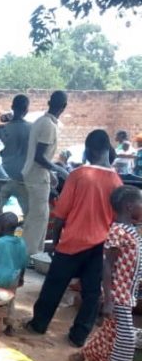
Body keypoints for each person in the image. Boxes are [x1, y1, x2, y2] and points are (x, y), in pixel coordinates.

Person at [26, 130, 122, 347]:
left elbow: (61, 214)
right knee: (91, 292)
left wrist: (55, 240)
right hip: (100, 244)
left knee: (54, 285)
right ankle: (78, 336)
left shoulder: (78, 175)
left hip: (72, 242)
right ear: (108, 150)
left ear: (89, 150)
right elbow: (116, 219)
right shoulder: (117, 180)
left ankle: (38, 325)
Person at [67, 185, 142, 361]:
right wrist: (108, 300)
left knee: (109, 334)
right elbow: (107, 265)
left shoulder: (131, 228)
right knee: (126, 339)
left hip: (126, 293)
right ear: (130, 206)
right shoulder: (118, 231)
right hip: (117, 294)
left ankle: (77, 357)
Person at [21, 91, 69, 256]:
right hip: (36, 176)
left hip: (37, 174)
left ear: (49, 102)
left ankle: (35, 254)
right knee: (37, 219)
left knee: (40, 217)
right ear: (64, 107)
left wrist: (52, 173)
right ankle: (30, 257)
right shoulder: (48, 125)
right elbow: (39, 156)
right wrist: (58, 169)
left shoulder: (42, 121)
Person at [0, 212, 29, 334]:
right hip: (13, 279)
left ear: (0, 228)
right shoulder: (21, 242)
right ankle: (10, 326)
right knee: (10, 300)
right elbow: (24, 262)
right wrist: (21, 278)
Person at [0, 94, 32, 216]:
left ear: (12, 107)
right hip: (23, 179)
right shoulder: (32, 128)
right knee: (28, 217)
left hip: (4, 177)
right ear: (27, 110)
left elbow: (1, 151)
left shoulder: (2, 129)